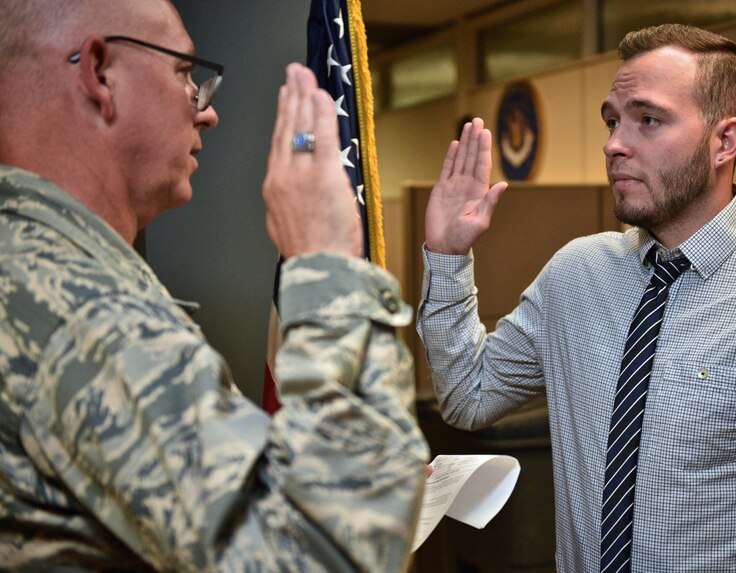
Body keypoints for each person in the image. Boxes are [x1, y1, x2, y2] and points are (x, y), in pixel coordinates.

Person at [417, 23, 736, 572]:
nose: (615, 143)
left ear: (724, 141)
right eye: (613, 120)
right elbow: (468, 397)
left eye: (648, 119)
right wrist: (446, 256)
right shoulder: (576, 274)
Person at [0, 0, 428, 571]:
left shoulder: (31, 265)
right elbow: (333, 555)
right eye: (185, 74)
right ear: (101, 74)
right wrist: (327, 262)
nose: (206, 112)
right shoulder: (80, 314)